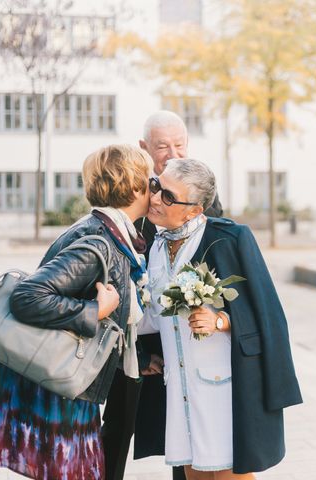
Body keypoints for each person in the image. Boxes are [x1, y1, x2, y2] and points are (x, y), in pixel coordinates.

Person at [0, 144, 153, 479]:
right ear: (135, 187)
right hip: (60, 379)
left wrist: (140, 360)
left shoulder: (110, 232)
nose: (154, 189)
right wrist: (94, 310)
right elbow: (28, 297)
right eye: (151, 181)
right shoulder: (98, 240)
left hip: (64, 376)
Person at [138, 158, 302, 479]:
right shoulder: (154, 246)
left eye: (169, 196)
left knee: (228, 472)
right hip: (178, 385)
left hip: (222, 385)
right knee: (191, 471)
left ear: (195, 210)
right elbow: (152, 316)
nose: (156, 199)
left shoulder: (228, 239)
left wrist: (220, 321)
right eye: (156, 187)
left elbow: (265, 313)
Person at [102, 111, 222, 480]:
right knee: (117, 429)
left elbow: (216, 265)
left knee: (186, 433)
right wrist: (140, 350)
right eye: (162, 146)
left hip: (181, 346)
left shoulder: (200, 192)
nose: (171, 153)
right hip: (137, 340)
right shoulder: (133, 193)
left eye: (179, 144)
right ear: (144, 148)